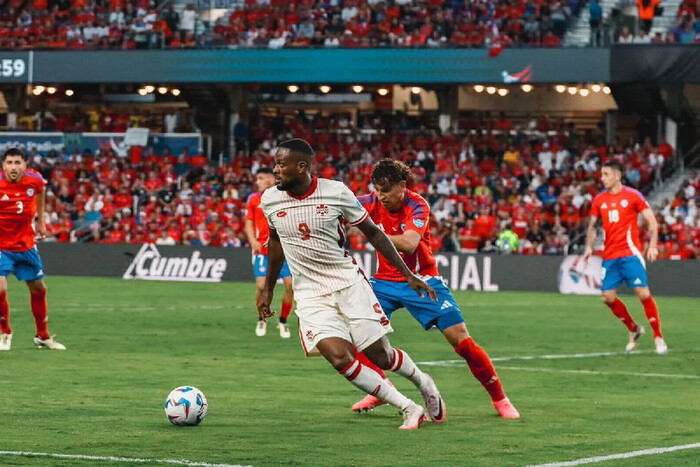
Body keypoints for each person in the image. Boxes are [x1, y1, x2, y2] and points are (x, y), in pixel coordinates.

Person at [257, 139, 443, 430]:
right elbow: (277, 244)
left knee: (381, 356)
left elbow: (374, 234)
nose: (275, 169)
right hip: (310, 295)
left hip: (348, 284)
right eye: (276, 163)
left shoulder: (335, 192)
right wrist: (268, 289)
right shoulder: (269, 199)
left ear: (302, 166)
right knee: (339, 357)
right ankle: (408, 407)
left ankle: (423, 381)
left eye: (281, 164)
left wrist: (408, 273)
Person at [352, 160, 520, 419]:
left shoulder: (417, 204)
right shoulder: (370, 202)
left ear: (402, 186)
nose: (381, 196)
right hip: (383, 282)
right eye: (377, 190)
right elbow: (336, 207)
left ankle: (500, 399)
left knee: (462, 341)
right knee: (357, 334)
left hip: (422, 280)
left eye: (386, 190)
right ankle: (382, 389)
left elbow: (408, 244)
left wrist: (370, 231)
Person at [584, 160, 667, 355]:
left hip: (630, 254)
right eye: (601, 175)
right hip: (610, 256)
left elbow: (652, 221)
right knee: (607, 297)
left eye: (606, 174)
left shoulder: (633, 196)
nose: (602, 178)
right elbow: (592, 226)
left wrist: (653, 246)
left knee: (643, 294)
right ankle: (634, 329)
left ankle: (658, 336)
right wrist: (588, 247)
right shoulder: (599, 200)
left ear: (617, 176)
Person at [0, 148, 65, 351]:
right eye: (9, 162)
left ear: (24, 165)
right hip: (1, 246)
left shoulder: (34, 180)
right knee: (0, 289)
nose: (13, 167)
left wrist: (41, 221)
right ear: (3, 166)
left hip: (25, 245)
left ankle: (43, 336)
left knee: (38, 288)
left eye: (17, 162)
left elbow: (41, 192)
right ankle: (4, 333)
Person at [245, 167, 294, 338]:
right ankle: (261, 318)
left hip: (283, 251)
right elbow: (249, 222)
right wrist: (252, 240)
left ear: (271, 180)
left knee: (290, 286)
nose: (257, 182)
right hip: (262, 252)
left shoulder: (284, 197)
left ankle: (283, 321)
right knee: (261, 286)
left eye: (260, 178)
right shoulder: (253, 199)